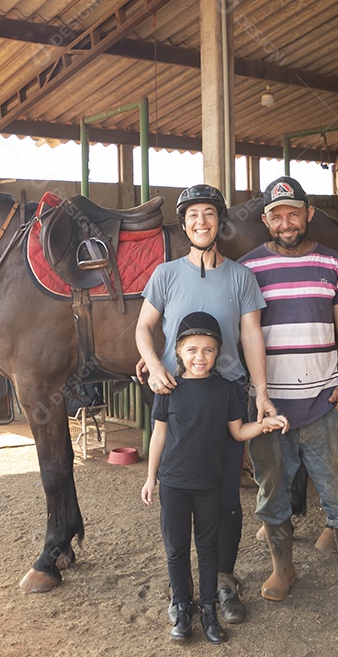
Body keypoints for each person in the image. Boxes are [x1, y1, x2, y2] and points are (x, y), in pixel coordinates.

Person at [135, 183, 276, 624]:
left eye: (209, 214)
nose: (201, 222)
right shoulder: (165, 274)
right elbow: (144, 328)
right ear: (185, 223)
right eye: (193, 215)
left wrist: (262, 391)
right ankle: (182, 593)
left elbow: (252, 334)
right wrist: (153, 363)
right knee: (179, 489)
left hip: (226, 396)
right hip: (176, 395)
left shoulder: (240, 276)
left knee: (226, 496)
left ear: (219, 222)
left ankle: (223, 581)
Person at [240, 176, 338, 609]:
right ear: (266, 221)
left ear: (309, 215)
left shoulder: (332, 263)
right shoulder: (247, 269)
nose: (286, 222)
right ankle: (283, 568)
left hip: (325, 401)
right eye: (277, 215)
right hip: (269, 408)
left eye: (294, 213)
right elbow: (237, 334)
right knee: (272, 492)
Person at [141, 312, 289, 643]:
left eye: (208, 350)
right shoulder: (168, 390)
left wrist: (266, 424)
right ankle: (181, 607)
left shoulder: (226, 391)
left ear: (217, 352)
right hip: (174, 483)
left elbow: (237, 433)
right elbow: (159, 436)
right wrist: (151, 478)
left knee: (208, 549)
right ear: (179, 351)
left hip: (210, 483)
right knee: (176, 549)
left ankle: (208, 609)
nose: (200, 357)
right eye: (192, 349)